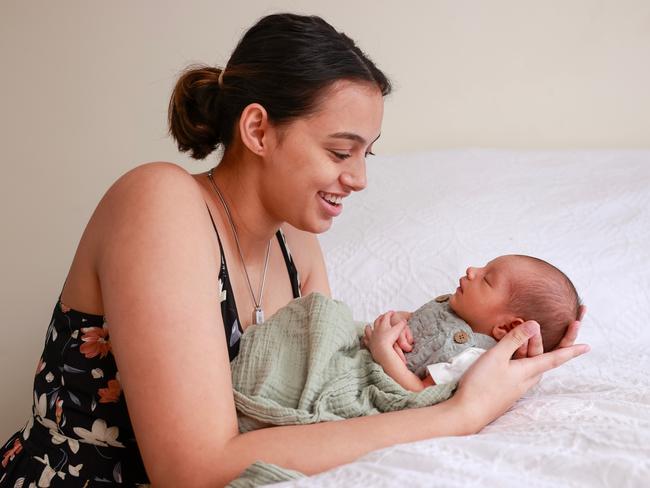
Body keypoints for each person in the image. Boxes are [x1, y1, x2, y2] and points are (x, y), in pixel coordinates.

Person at [0, 12, 588, 488]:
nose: (358, 179)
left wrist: (496, 355)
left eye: (367, 155)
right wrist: (458, 417)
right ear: (258, 130)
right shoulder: (160, 202)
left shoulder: (295, 244)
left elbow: (321, 412)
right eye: (340, 152)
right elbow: (194, 470)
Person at [364, 255, 581, 391]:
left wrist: (383, 351)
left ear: (507, 328)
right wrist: (397, 322)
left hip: (371, 374)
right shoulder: (452, 306)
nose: (471, 270)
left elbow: (420, 391)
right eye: (483, 267)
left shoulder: (473, 357)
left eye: (486, 279)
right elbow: (417, 320)